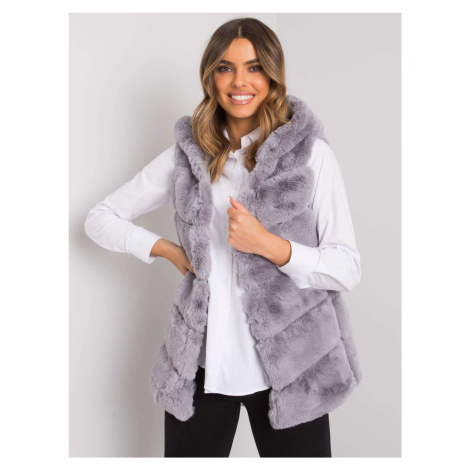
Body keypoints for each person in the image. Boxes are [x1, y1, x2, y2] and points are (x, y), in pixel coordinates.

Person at [84, 17, 362, 458]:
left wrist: (269, 245)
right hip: (201, 366)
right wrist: (167, 250)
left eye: (254, 67)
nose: (239, 82)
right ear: (210, 76)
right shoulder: (188, 158)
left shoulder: (311, 156)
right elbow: (100, 218)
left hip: (291, 369)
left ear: (273, 76)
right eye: (225, 68)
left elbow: (346, 267)